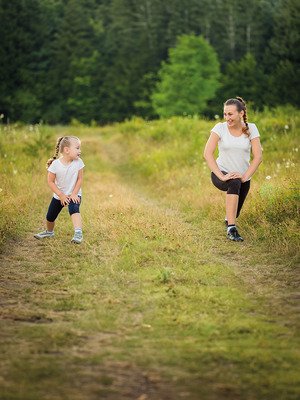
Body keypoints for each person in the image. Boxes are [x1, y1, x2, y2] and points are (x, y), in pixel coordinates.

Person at [203, 97, 262, 242]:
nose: (226, 118)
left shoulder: (251, 128)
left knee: (234, 213)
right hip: (221, 173)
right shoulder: (220, 128)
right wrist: (222, 176)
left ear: (241, 113)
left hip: (243, 177)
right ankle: (231, 229)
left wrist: (244, 177)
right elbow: (207, 153)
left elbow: (258, 157)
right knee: (233, 182)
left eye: (230, 114)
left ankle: (229, 221)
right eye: (225, 114)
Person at [34, 136, 85, 244]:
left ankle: (78, 233)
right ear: (66, 150)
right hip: (59, 195)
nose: (80, 151)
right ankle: (49, 232)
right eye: (77, 148)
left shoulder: (79, 162)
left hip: (74, 194)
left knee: (74, 209)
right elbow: (50, 182)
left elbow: (80, 179)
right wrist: (61, 195)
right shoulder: (55, 165)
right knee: (50, 216)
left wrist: (74, 193)